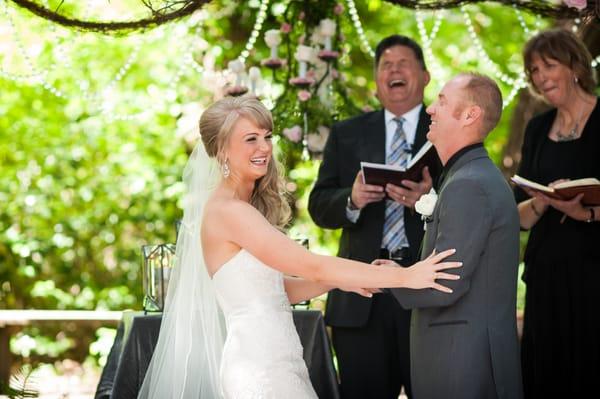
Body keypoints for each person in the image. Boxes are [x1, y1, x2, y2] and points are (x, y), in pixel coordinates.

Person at [138, 95, 461, 398]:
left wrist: (345, 279)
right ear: (222, 151)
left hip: (278, 357)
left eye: (267, 136)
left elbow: (278, 291)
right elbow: (311, 264)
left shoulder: (240, 207)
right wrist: (407, 276)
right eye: (250, 139)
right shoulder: (229, 212)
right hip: (258, 366)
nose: (264, 147)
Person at [308, 35, 440, 399]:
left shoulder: (445, 132)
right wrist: (350, 199)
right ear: (377, 80)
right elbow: (318, 205)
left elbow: (468, 206)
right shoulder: (346, 133)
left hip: (424, 293)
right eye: (385, 65)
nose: (394, 70)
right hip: (360, 297)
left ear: (425, 76)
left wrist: (428, 202)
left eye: (403, 63)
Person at [381, 73, 523, 398]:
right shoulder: (467, 176)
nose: (430, 108)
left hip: (462, 364)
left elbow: (445, 284)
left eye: (442, 101)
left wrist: (389, 277)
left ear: (470, 115)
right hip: (459, 358)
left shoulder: (469, 185)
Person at [514, 28, 600, 398]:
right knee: (547, 376)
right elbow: (520, 217)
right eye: (534, 70)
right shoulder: (536, 128)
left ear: (575, 66)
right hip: (546, 275)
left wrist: (586, 215)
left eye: (549, 65)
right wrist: (544, 200)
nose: (541, 76)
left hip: (595, 275)